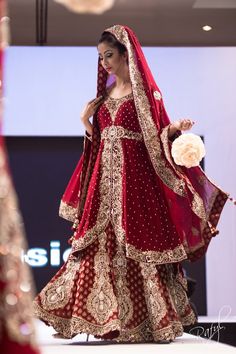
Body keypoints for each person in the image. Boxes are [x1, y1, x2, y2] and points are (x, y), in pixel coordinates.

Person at [33, 24, 229, 343]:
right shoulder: (105, 96)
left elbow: (158, 133)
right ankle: (95, 318)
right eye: (100, 58)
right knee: (94, 246)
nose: (104, 63)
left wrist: (176, 126)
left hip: (135, 185)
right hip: (103, 187)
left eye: (109, 55)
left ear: (126, 54)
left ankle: (145, 321)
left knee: (139, 245)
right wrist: (85, 121)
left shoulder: (143, 93)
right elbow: (96, 144)